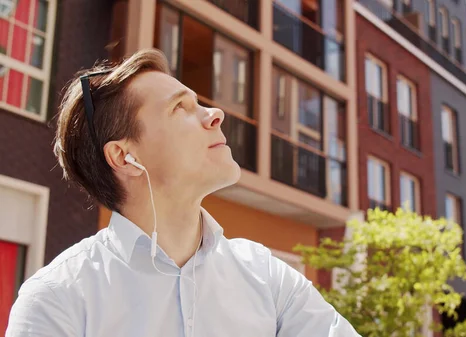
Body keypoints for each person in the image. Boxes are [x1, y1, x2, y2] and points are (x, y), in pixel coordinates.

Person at [5, 49, 360, 337]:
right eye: (181, 108)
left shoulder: (267, 276)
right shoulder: (57, 298)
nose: (215, 114)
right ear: (125, 157)